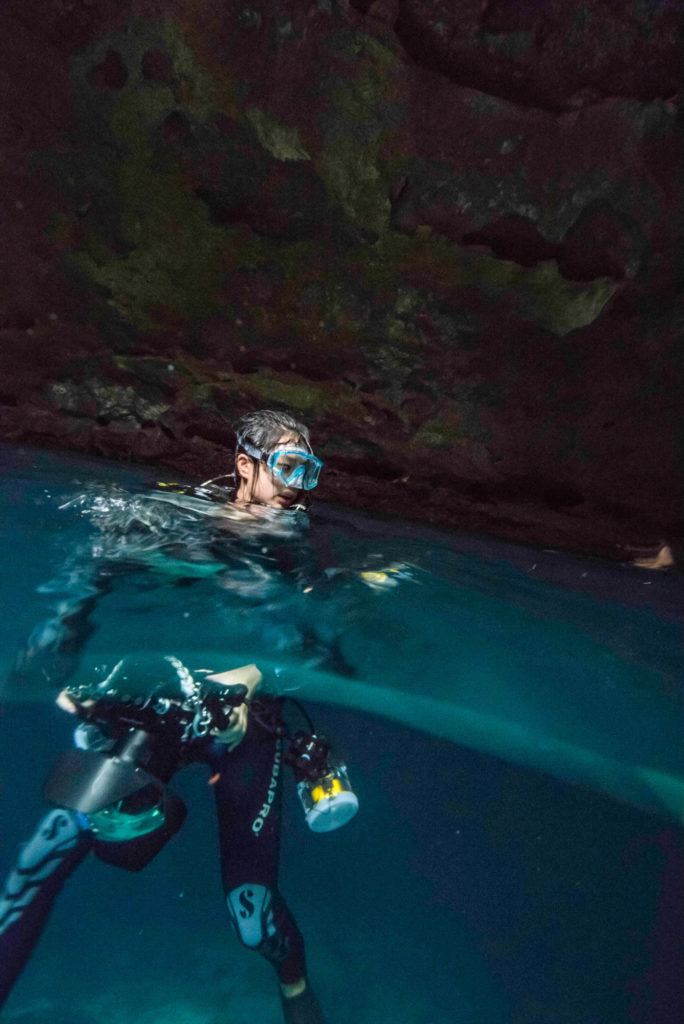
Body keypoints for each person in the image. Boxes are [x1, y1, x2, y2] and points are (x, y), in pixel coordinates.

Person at [0, 410, 335, 1024]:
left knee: (252, 916)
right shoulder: (180, 519)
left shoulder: (296, 546)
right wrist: (61, 645)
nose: (299, 485)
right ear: (245, 466)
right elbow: (96, 570)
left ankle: (295, 990)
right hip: (161, 704)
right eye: (289, 468)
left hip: (242, 725)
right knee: (42, 854)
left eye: (309, 472)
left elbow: (320, 649)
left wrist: (256, 679)